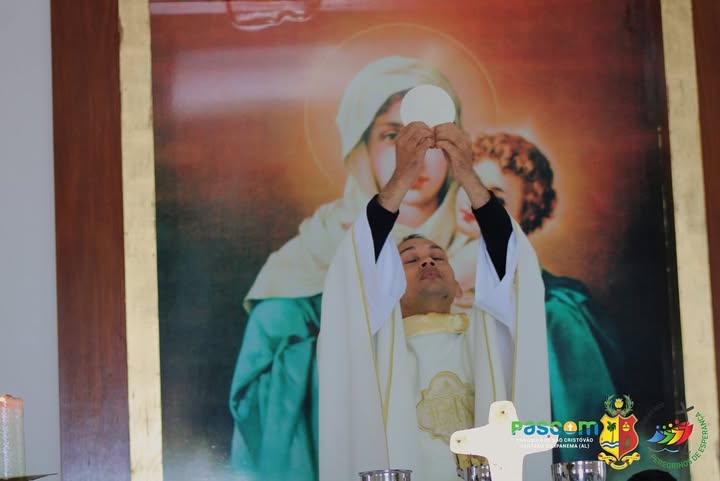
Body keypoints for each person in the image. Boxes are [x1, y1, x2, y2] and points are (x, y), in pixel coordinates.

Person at [228, 56, 472, 481]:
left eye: (430, 140)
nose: (416, 157)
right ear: (361, 147)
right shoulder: (313, 257)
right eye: (394, 136)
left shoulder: (483, 250)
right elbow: (261, 399)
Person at [317, 122, 551, 481]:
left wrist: (467, 174)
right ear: (385, 285)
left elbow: (509, 258)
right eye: (410, 259)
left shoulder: (490, 338)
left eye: (438, 257)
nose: (427, 262)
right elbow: (357, 263)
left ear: (458, 286)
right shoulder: (373, 347)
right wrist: (402, 177)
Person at [453, 132, 619, 462]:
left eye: (496, 201)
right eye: (471, 187)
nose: (475, 203)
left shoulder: (556, 309)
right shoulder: (446, 254)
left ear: (524, 214)